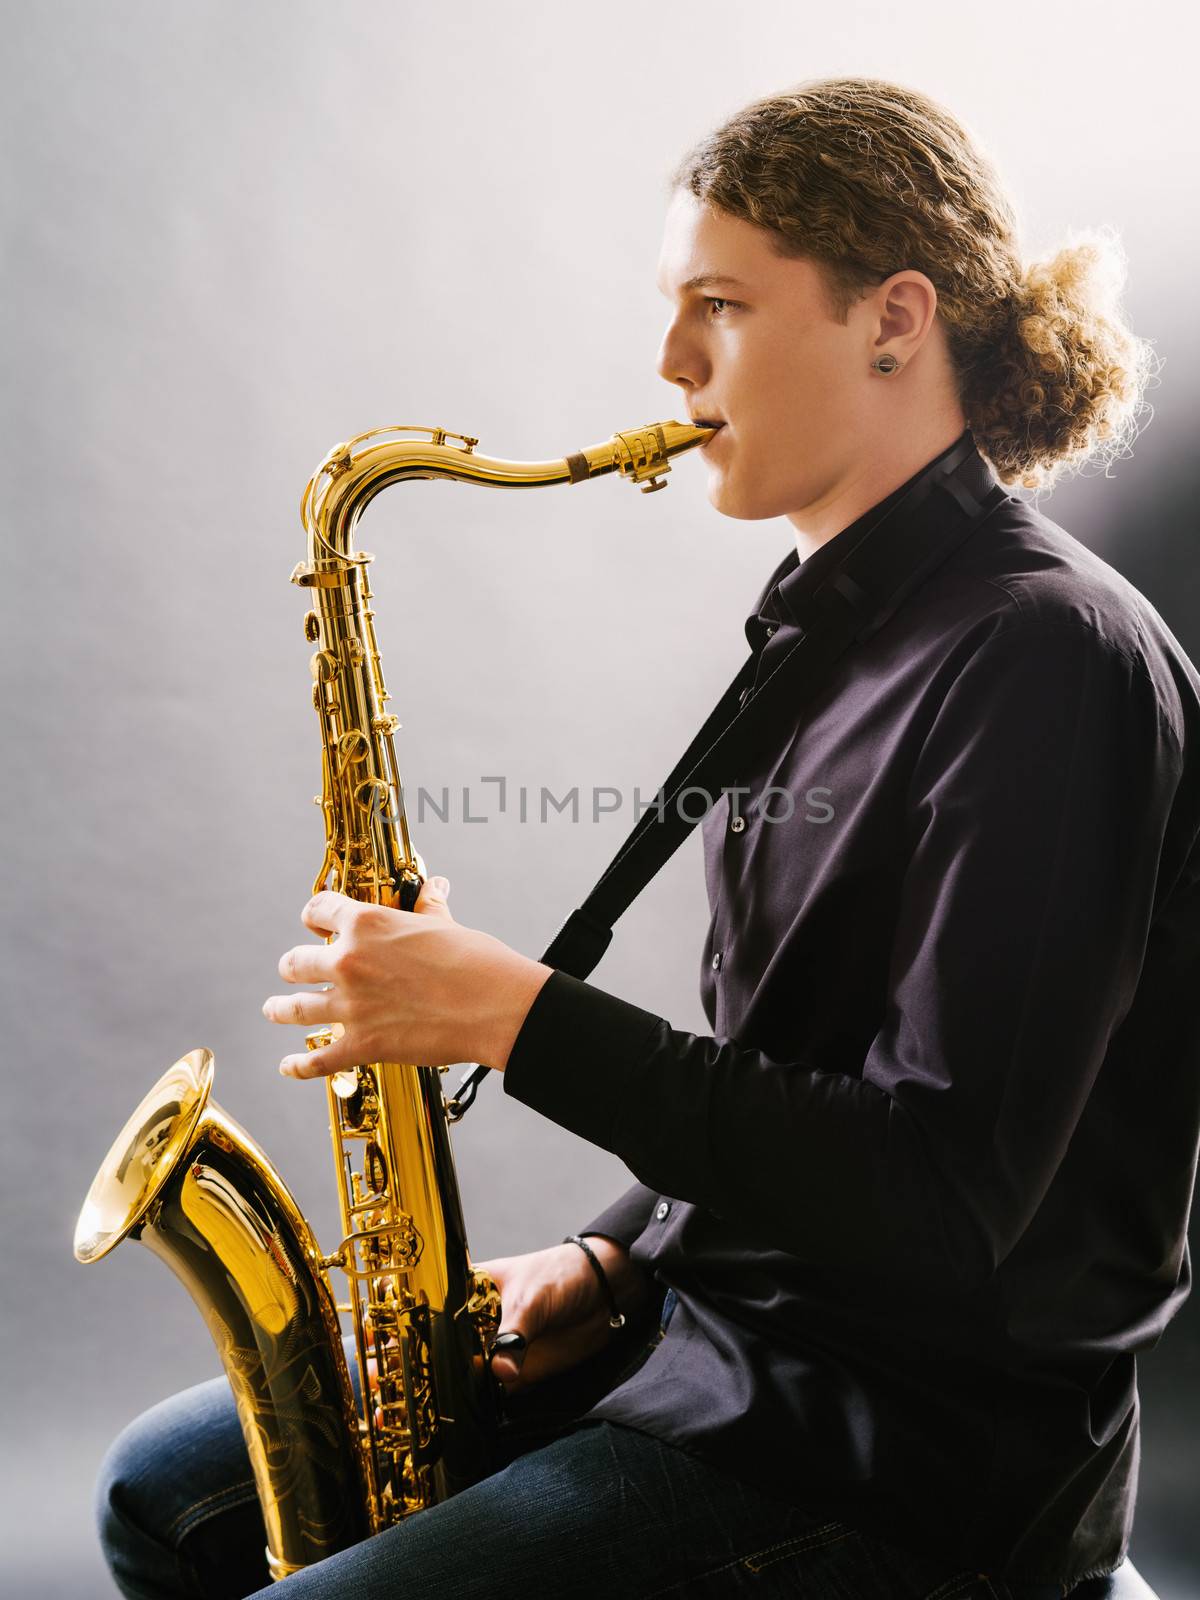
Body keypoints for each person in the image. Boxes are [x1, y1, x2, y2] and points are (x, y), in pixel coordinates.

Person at [95, 77, 1190, 1600]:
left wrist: (512, 1016)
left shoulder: (1049, 660)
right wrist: (620, 1259)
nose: (670, 366)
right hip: (721, 1350)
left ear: (895, 320)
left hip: (917, 1461)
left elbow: (940, 1197)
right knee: (159, 1490)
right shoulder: (830, 626)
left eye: (722, 310)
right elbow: (808, 1068)